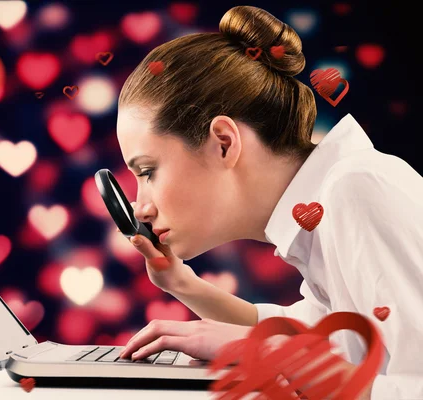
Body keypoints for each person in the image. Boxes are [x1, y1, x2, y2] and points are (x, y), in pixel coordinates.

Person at [114, 5, 423, 400]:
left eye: (148, 171)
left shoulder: (358, 190)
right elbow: (326, 336)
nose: (141, 208)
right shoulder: (331, 202)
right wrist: (185, 286)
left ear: (223, 142)